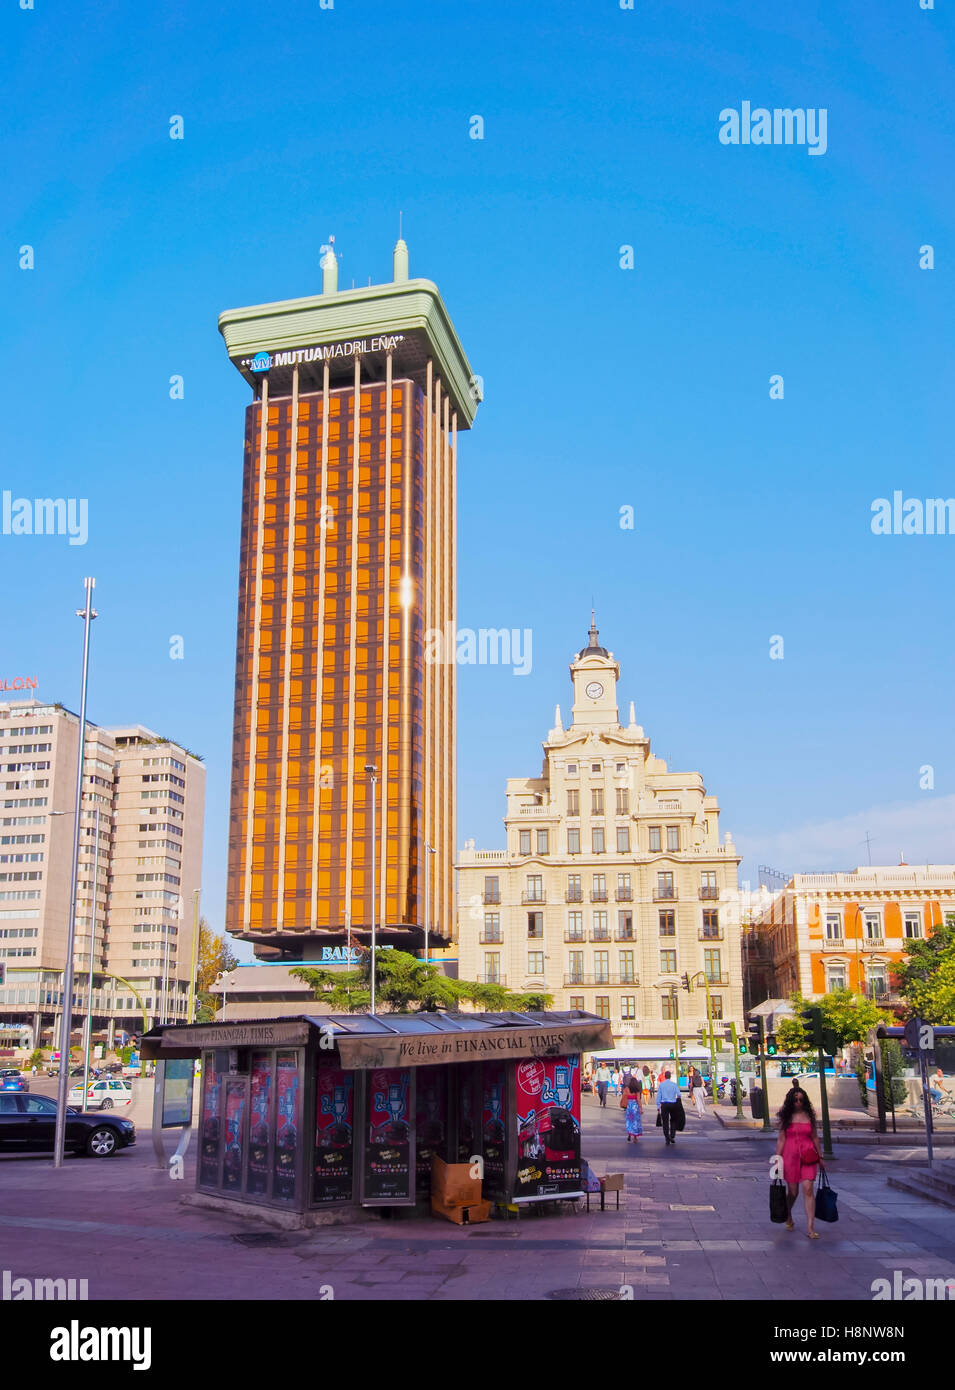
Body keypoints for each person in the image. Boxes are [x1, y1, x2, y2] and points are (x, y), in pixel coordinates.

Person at [776, 1086, 822, 1239]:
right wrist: (778, 1159)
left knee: (808, 1189)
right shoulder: (786, 1118)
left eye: (801, 1100)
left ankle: (810, 1228)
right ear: (790, 1101)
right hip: (790, 1156)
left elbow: (815, 1137)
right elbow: (781, 1139)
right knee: (793, 1192)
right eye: (795, 1100)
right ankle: (787, 1213)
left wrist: (820, 1157)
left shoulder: (809, 1116)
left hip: (808, 1155)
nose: (798, 1102)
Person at [657, 1070, 682, 1145]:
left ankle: (667, 1137)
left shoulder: (661, 1085)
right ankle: (672, 1135)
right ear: (670, 1076)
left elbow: (659, 1096)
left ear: (665, 1076)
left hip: (664, 1104)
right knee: (673, 1120)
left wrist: (658, 1106)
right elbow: (679, 1094)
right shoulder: (674, 1084)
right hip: (673, 1104)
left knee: (665, 1122)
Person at [622, 1078, 643, 1143]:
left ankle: (629, 1134)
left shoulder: (626, 1089)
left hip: (629, 1107)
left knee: (629, 1121)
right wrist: (641, 1108)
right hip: (635, 1107)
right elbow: (638, 1100)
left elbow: (624, 1096)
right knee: (635, 1122)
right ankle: (635, 1137)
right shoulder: (637, 1090)